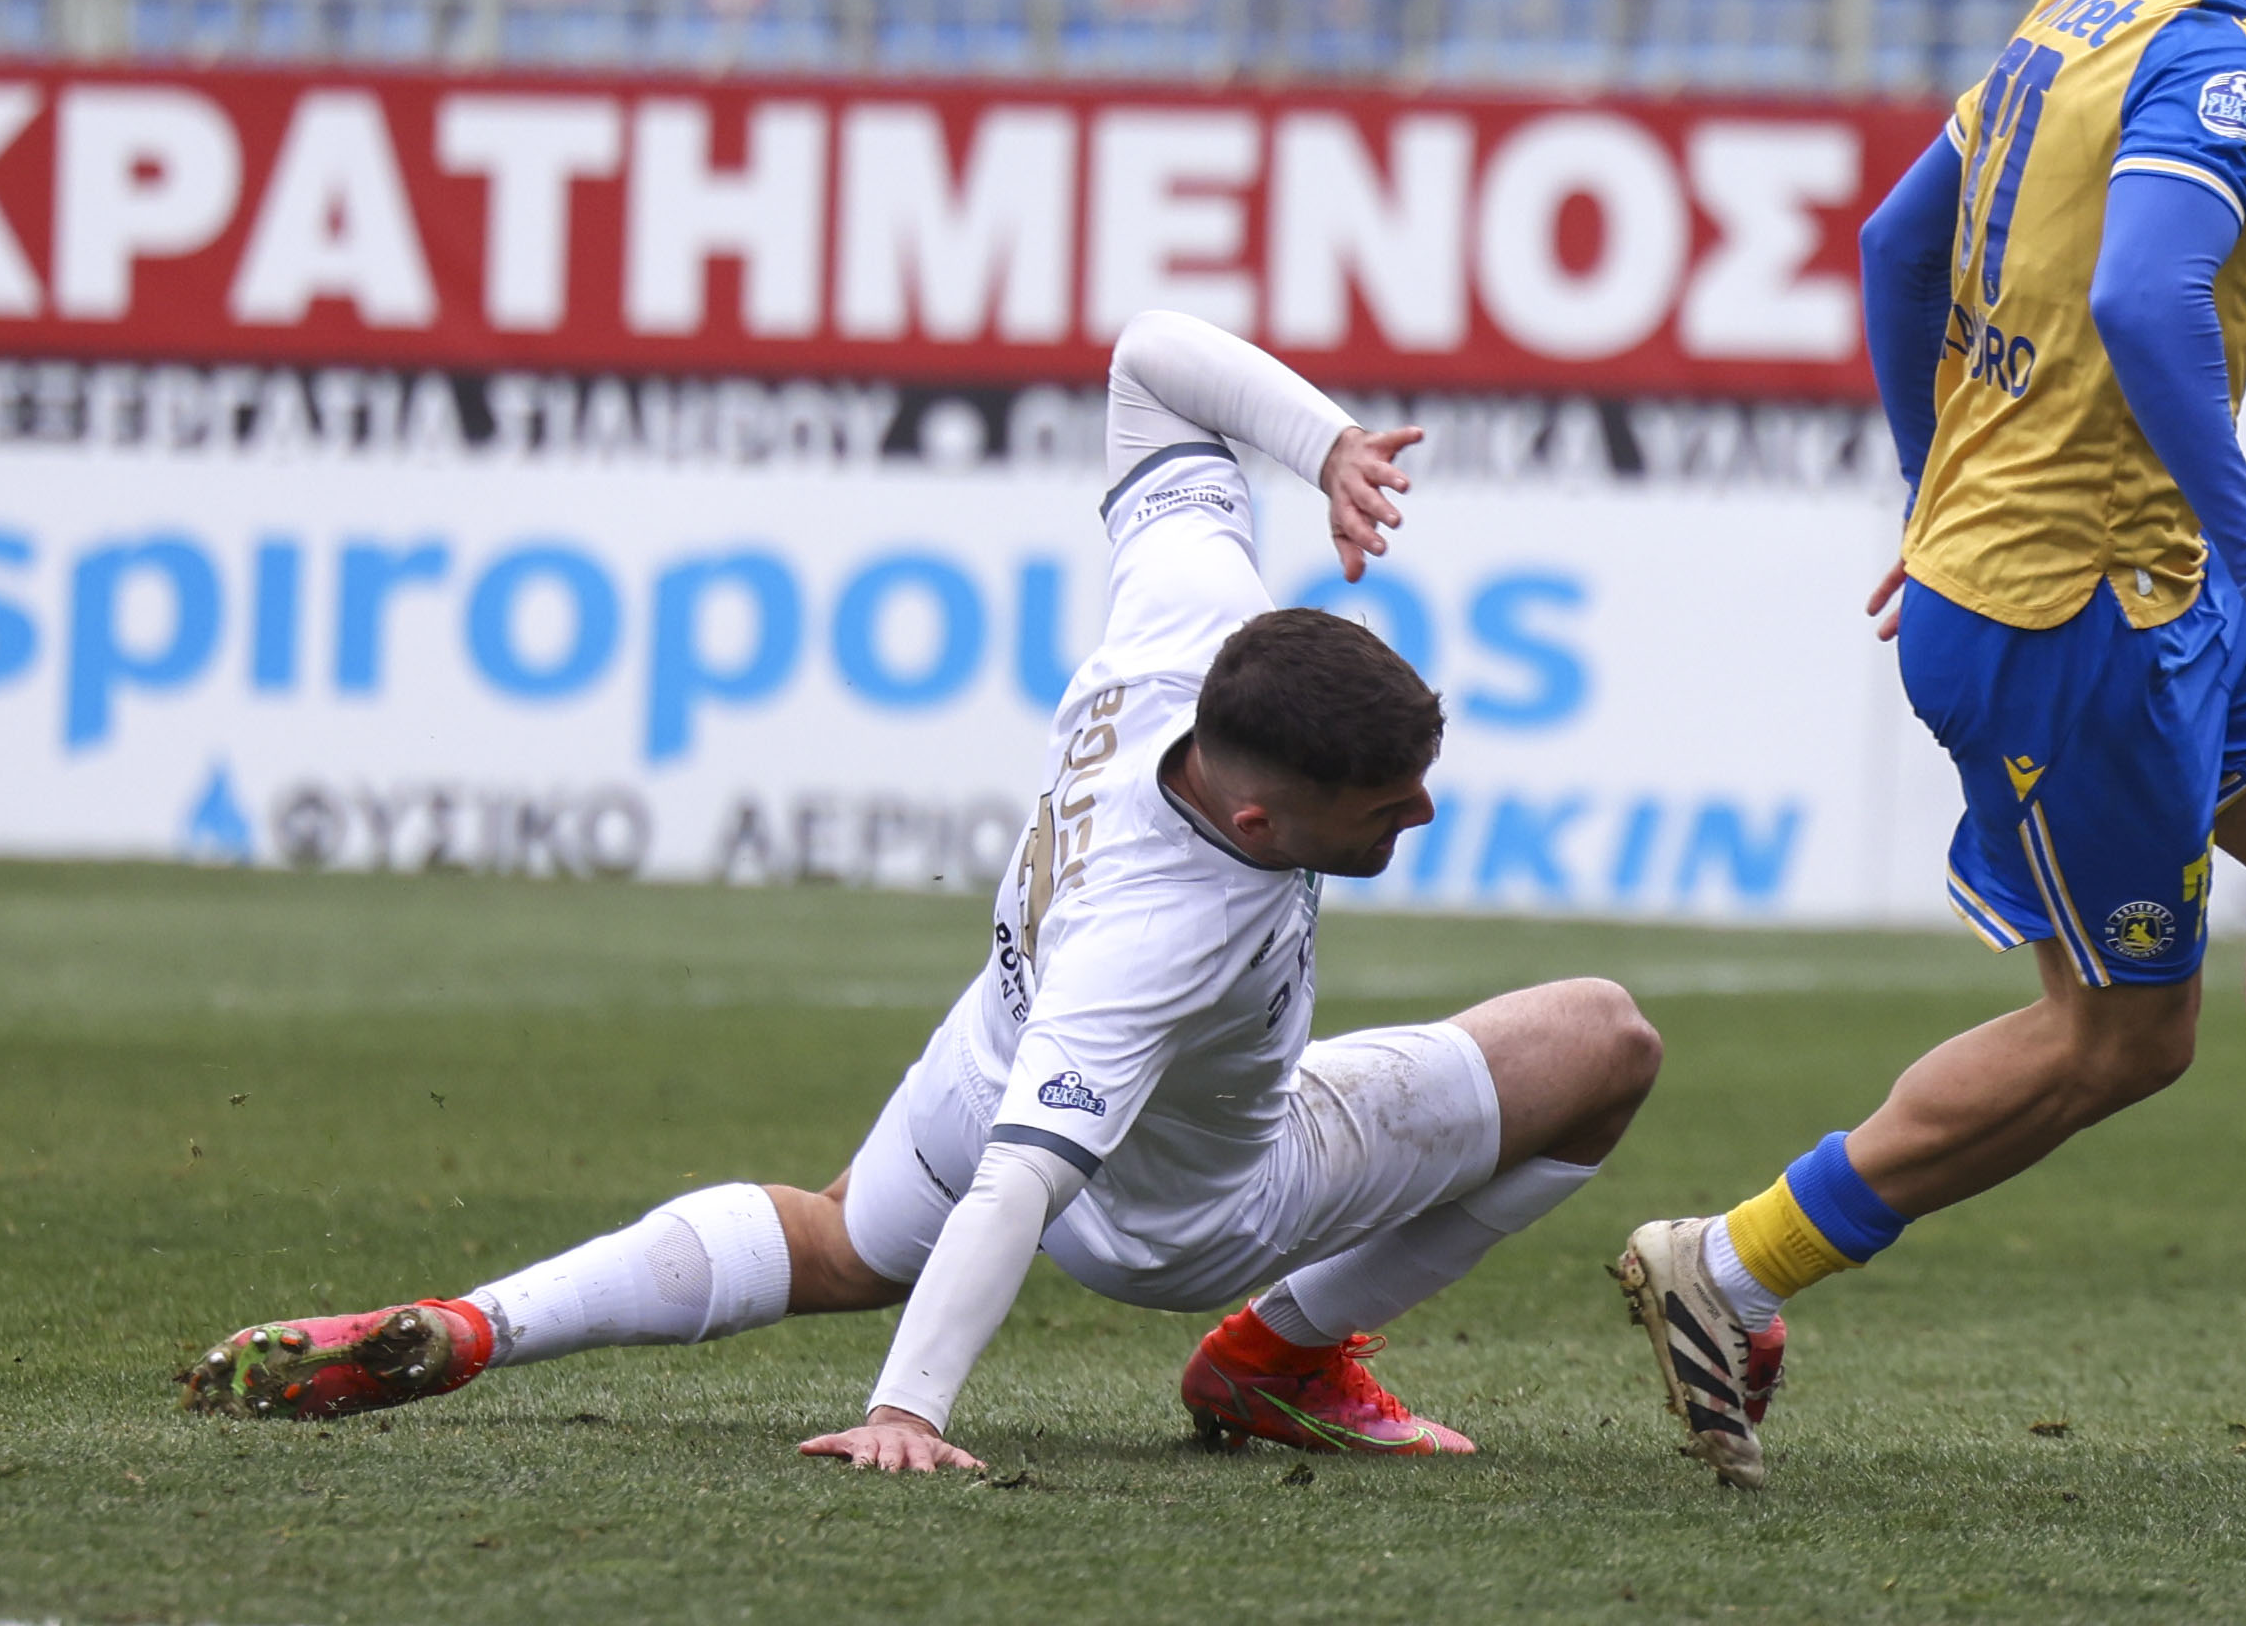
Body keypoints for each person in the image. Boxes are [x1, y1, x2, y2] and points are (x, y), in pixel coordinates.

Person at [180, 312, 1666, 1467]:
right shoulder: (1163, 928)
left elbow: (1152, 358)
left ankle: (479, 1323)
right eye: (1388, 805)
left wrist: (1324, 443)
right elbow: (1026, 1185)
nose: (1424, 811)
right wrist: (907, 1410)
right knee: (1606, 1045)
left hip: (989, 1055)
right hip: (1187, 1204)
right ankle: (1280, 1356)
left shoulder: (1190, 628)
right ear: (1260, 816)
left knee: (835, 1243)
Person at [1614, 0, 2246, 1490]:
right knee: (2122, 1036)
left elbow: (1897, 245)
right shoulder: (2239, 62)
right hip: (2078, 604)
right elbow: (2146, 296)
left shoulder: (2091, 9)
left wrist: (1933, 488)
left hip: (2133, 571)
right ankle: (1725, 1266)